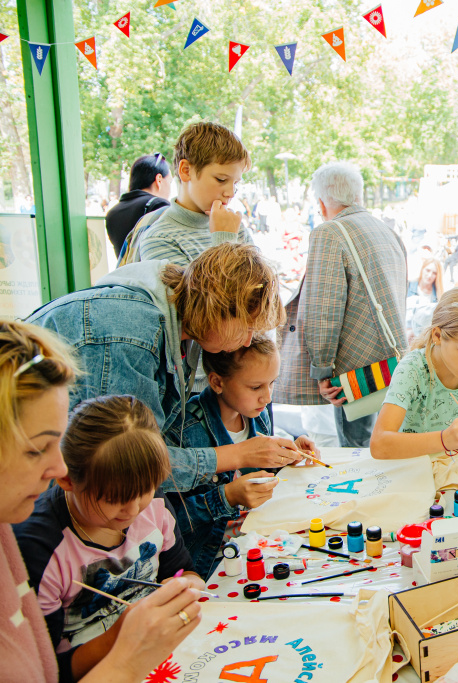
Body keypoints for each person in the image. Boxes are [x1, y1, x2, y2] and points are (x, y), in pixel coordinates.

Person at [0, 321, 202, 682]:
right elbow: (53, 669)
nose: (58, 467)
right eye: (36, 448)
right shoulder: (37, 546)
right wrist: (123, 644)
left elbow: (182, 570)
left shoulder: (152, 512)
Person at [27, 243, 299, 499]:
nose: (248, 341)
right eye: (246, 327)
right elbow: (129, 463)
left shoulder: (184, 321)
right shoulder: (131, 336)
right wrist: (238, 455)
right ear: (215, 310)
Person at [164, 335, 320, 579]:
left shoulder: (257, 414)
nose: (267, 398)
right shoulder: (184, 431)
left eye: (272, 383)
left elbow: (257, 474)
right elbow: (171, 523)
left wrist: (287, 455)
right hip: (213, 562)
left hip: (261, 539)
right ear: (217, 382)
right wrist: (226, 496)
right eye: (256, 387)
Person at [277, 161, 408, 447]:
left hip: (355, 369)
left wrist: (322, 368)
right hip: (391, 364)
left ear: (321, 203)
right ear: (358, 195)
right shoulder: (387, 231)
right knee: (385, 444)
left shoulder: (330, 233)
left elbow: (323, 310)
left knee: (357, 451)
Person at [371, 286, 458, 460]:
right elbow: (379, 445)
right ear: (438, 335)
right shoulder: (412, 370)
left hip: (448, 465)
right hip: (407, 468)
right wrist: (445, 439)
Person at [135, 121, 254, 266]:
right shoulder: (159, 239)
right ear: (185, 170)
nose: (230, 193)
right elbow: (208, 290)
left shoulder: (235, 227)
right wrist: (225, 240)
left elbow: (263, 285)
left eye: (235, 183)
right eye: (221, 179)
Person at [104, 153, 172, 256]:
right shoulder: (159, 205)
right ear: (159, 180)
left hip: (125, 271)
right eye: (169, 182)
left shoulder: (112, 213)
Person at [407, 258, 444, 343]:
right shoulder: (409, 286)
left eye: (434, 273)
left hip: (425, 339)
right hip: (406, 335)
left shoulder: (438, 295)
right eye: (427, 270)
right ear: (422, 269)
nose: (430, 275)